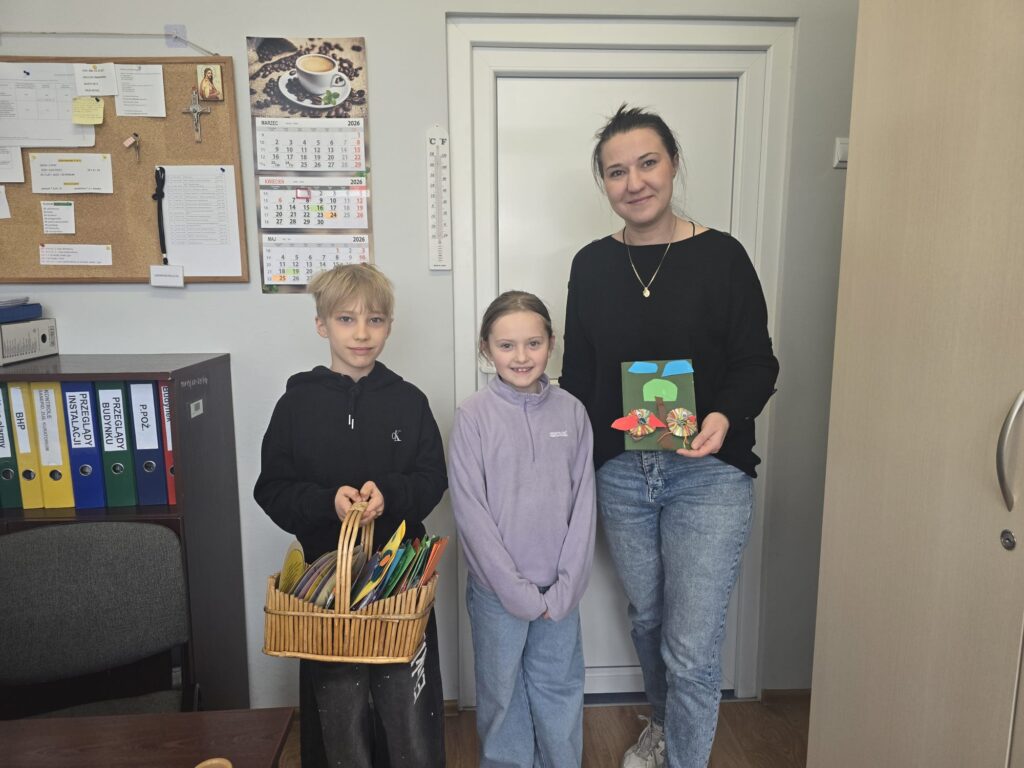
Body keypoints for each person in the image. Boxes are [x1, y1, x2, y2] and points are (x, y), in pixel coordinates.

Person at [559, 105, 779, 768]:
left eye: (647, 163)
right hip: (624, 475)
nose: (634, 182)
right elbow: (579, 378)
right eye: (616, 171)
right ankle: (661, 721)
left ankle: (683, 757)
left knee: (691, 645)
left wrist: (723, 417)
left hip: (707, 474)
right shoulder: (592, 265)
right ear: (603, 183)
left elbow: (757, 362)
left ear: (673, 164)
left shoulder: (723, 256)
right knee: (648, 619)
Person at [254, 264, 447, 768]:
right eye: (346, 319)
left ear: (389, 326)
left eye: (375, 320)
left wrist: (391, 496)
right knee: (339, 719)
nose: (362, 333)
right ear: (322, 325)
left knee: (407, 716)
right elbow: (271, 489)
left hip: (398, 588)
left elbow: (433, 479)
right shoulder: (295, 405)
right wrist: (326, 503)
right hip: (325, 592)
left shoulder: (410, 401)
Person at [449, 291, 597, 768]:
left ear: (551, 343)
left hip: (560, 592)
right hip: (496, 593)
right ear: (486, 348)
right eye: (506, 345)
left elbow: (584, 504)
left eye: (533, 343)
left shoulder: (572, 412)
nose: (521, 356)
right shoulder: (473, 416)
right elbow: (471, 512)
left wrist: (568, 586)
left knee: (560, 688)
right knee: (502, 694)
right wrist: (514, 591)